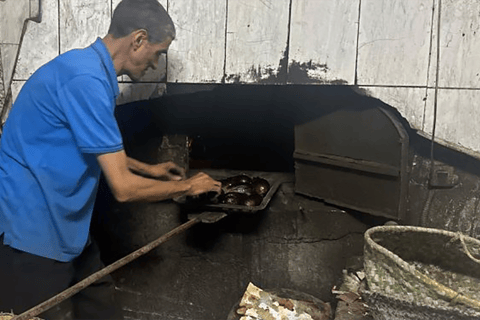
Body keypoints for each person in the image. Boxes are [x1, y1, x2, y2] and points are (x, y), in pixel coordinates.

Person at [0, 0, 221, 319]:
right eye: (158, 52)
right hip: (33, 234)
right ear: (138, 39)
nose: (156, 64)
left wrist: (149, 169)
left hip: (66, 228)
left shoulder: (89, 71)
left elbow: (94, 145)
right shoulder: (85, 81)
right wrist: (186, 187)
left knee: (102, 309)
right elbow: (123, 189)